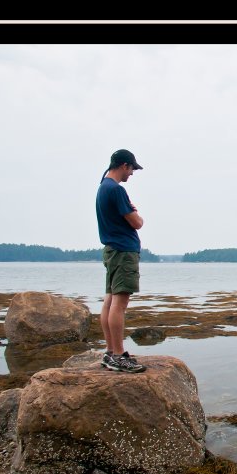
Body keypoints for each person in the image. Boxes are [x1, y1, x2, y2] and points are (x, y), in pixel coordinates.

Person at [96, 149, 146, 374]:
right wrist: (136, 213)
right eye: (132, 169)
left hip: (111, 251)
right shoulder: (116, 190)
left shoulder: (102, 187)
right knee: (120, 304)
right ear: (124, 165)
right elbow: (136, 222)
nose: (132, 174)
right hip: (123, 251)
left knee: (109, 300)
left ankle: (110, 351)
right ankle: (118, 355)